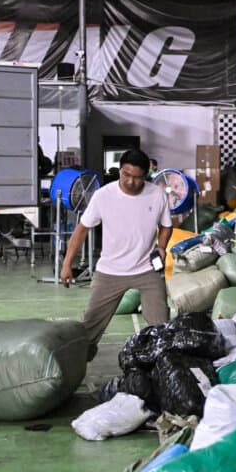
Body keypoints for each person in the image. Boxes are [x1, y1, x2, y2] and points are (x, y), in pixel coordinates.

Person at [61, 148, 171, 360]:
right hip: (109, 272)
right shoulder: (103, 196)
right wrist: (67, 264)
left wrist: (161, 247)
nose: (131, 182)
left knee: (161, 327)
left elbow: (166, 226)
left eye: (137, 177)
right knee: (89, 328)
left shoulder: (157, 194)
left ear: (145, 176)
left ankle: (164, 367)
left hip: (147, 269)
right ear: (119, 171)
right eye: (126, 175)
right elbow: (81, 229)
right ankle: (77, 363)